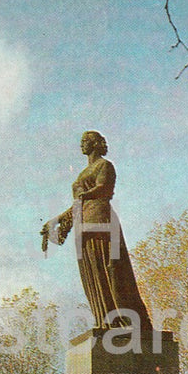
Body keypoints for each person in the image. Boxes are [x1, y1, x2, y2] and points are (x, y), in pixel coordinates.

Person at [41, 130, 153, 330]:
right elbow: (77, 204)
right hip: (84, 225)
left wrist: (84, 196)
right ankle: (105, 318)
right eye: (82, 141)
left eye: (86, 141)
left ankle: (123, 318)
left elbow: (103, 188)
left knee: (110, 270)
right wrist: (55, 220)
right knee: (92, 274)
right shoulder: (82, 174)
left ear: (96, 144)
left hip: (101, 223)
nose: (82, 144)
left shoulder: (105, 165)